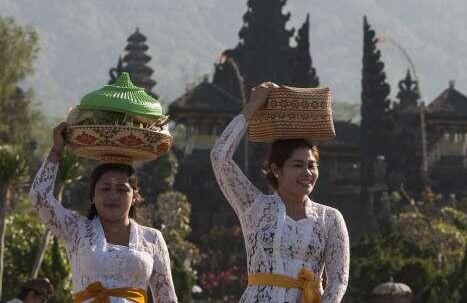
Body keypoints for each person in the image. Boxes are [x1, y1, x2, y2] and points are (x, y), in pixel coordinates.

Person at [210, 82, 350, 302]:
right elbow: (219, 157)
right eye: (297, 165)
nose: (307, 172)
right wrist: (252, 107)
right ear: (276, 170)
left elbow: (338, 280)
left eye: (312, 166)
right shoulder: (255, 207)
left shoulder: (330, 218)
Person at [30, 123, 177, 302]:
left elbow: (167, 298)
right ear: (92, 196)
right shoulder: (76, 230)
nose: (113, 196)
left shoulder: (152, 239)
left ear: (135, 197)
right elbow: (39, 196)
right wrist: (56, 151)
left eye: (122, 190)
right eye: (105, 189)